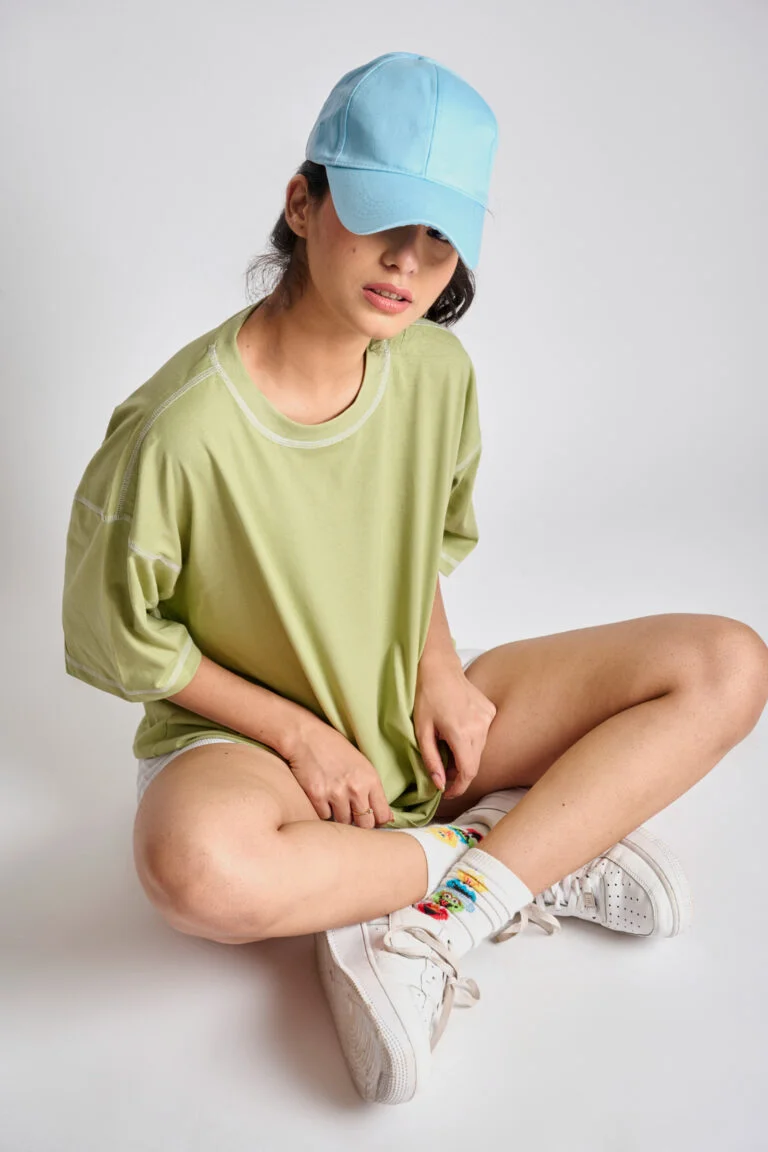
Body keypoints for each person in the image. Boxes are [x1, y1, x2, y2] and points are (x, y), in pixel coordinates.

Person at [61, 51, 768, 1106]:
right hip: (252, 752)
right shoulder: (177, 433)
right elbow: (123, 640)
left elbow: (418, 546)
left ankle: (453, 901)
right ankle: (505, 851)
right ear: (302, 204)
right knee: (195, 871)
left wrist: (438, 667)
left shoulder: (437, 372)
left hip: (404, 706)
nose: (408, 261)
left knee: (727, 664)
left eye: (441, 238)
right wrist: (301, 736)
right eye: (382, 216)